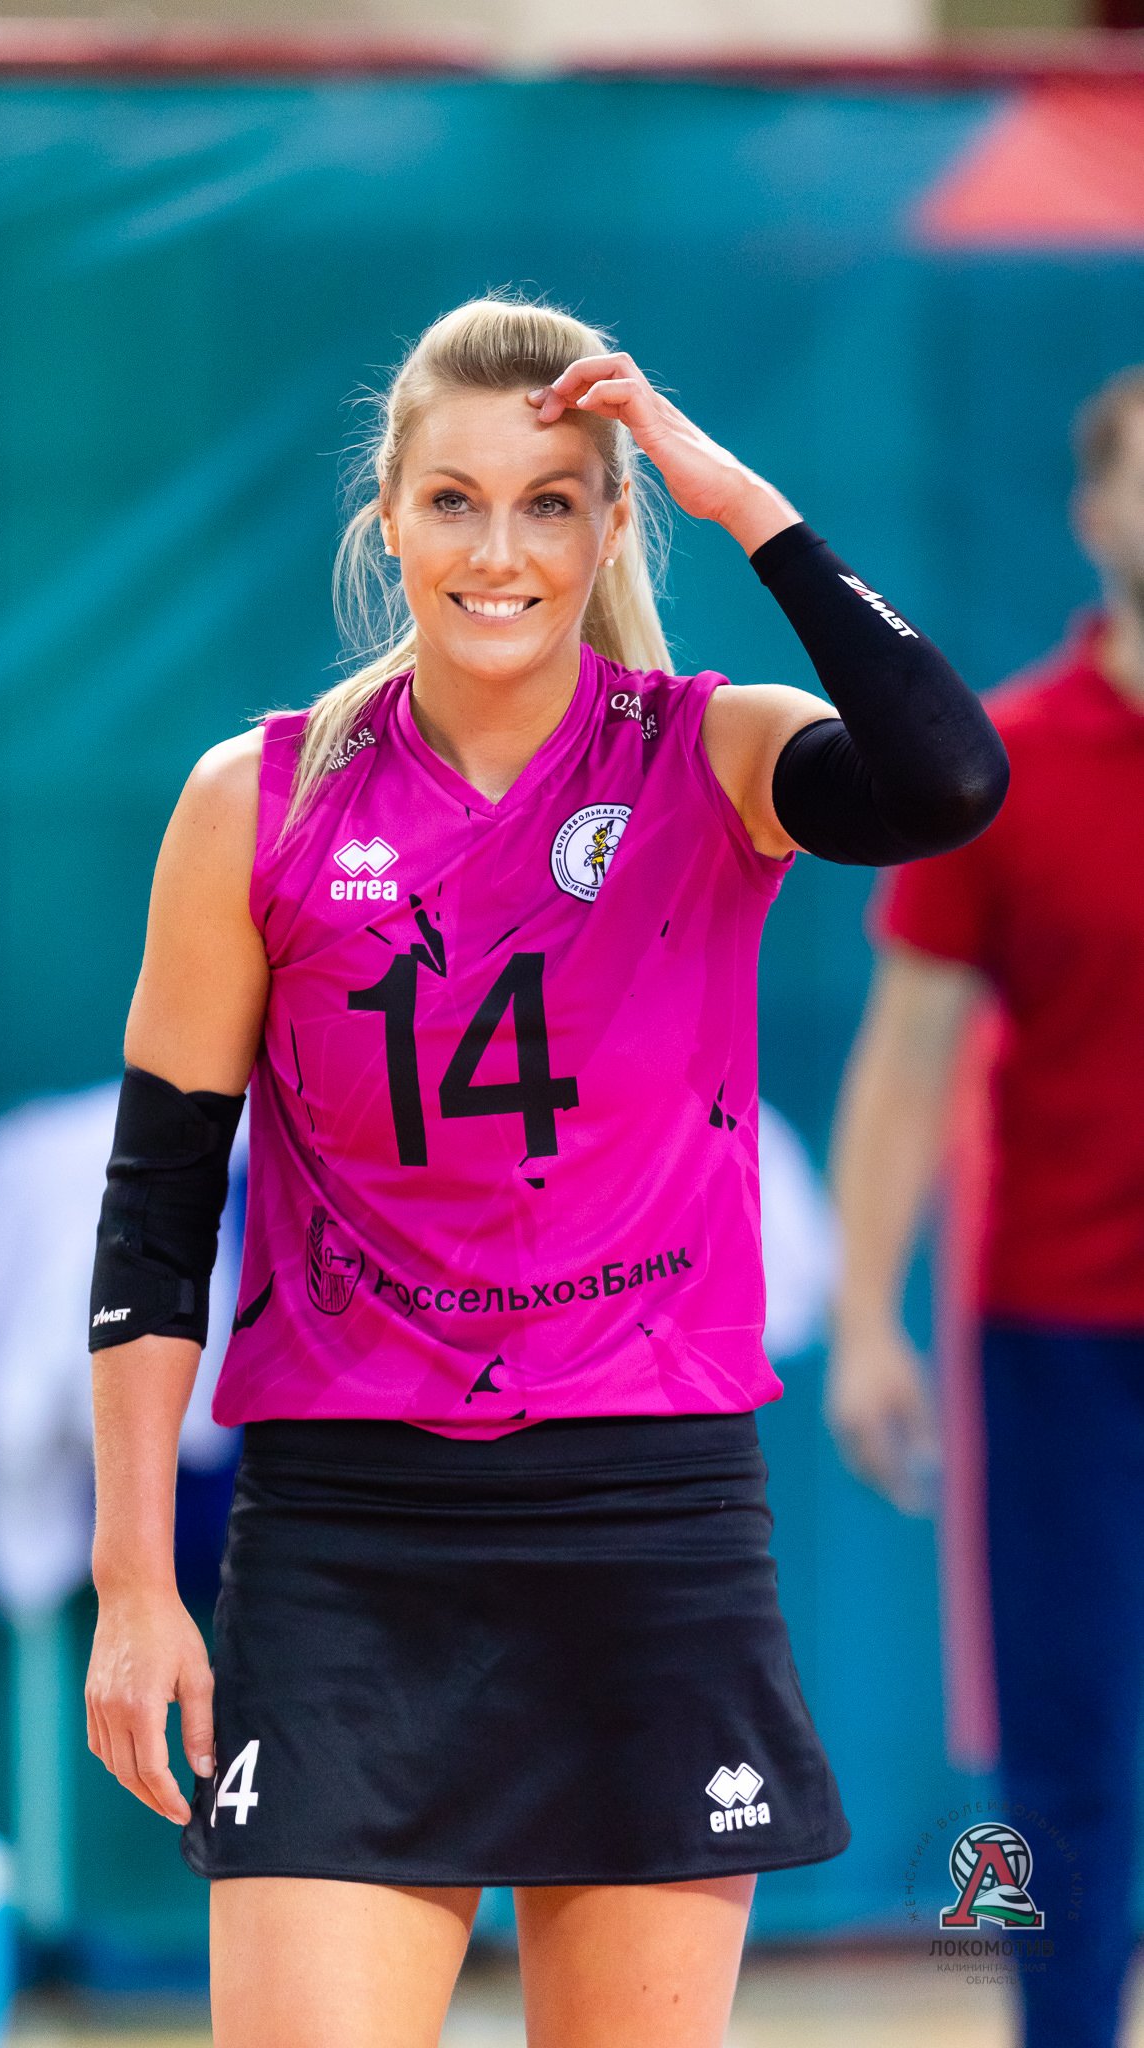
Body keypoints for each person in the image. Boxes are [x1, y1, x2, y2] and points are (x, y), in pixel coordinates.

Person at [82, 293, 1008, 2048]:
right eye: (453, 501)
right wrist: (135, 1583)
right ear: (387, 519)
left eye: (549, 503)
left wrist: (737, 498)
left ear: (609, 523)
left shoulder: (709, 754)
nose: (497, 552)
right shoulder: (254, 802)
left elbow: (947, 777)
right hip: (350, 1536)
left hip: (645, 1526)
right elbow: (153, 1215)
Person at [828, 364, 1144, 2048]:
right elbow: (905, 1058)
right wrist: (864, 1315)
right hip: (1060, 1337)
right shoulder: (1001, 763)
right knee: (1064, 1737)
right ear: (1093, 512)